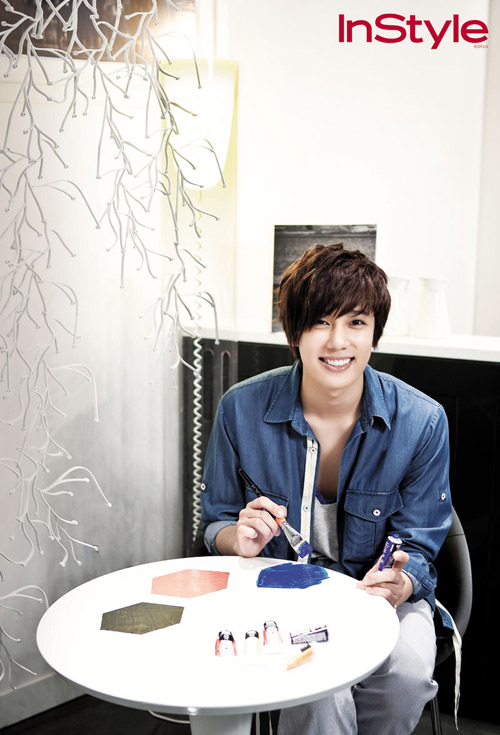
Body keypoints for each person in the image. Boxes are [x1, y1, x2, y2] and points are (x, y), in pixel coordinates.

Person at [201, 243, 452, 735]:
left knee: (406, 676)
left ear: (375, 331)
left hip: (381, 597)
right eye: (320, 322)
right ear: (294, 333)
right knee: (317, 682)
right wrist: (239, 539)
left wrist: (402, 582)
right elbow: (217, 523)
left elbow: (420, 543)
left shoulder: (422, 421)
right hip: (282, 594)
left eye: (356, 322)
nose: (338, 342)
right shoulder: (240, 409)